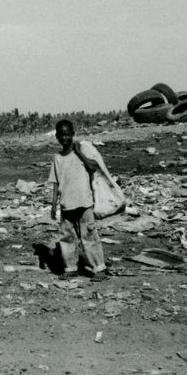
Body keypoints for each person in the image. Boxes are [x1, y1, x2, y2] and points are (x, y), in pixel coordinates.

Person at [47, 120, 109, 281]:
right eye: (61, 135)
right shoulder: (57, 158)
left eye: (67, 134)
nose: (64, 137)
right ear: (57, 136)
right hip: (67, 204)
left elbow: (93, 167)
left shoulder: (82, 151)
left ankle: (99, 268)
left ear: (73, 134)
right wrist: (54, 204)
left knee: (89, 236)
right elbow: (55, 182)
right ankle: (70, 268)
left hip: (84, 203)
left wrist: (80, 153)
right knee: (67, 238)